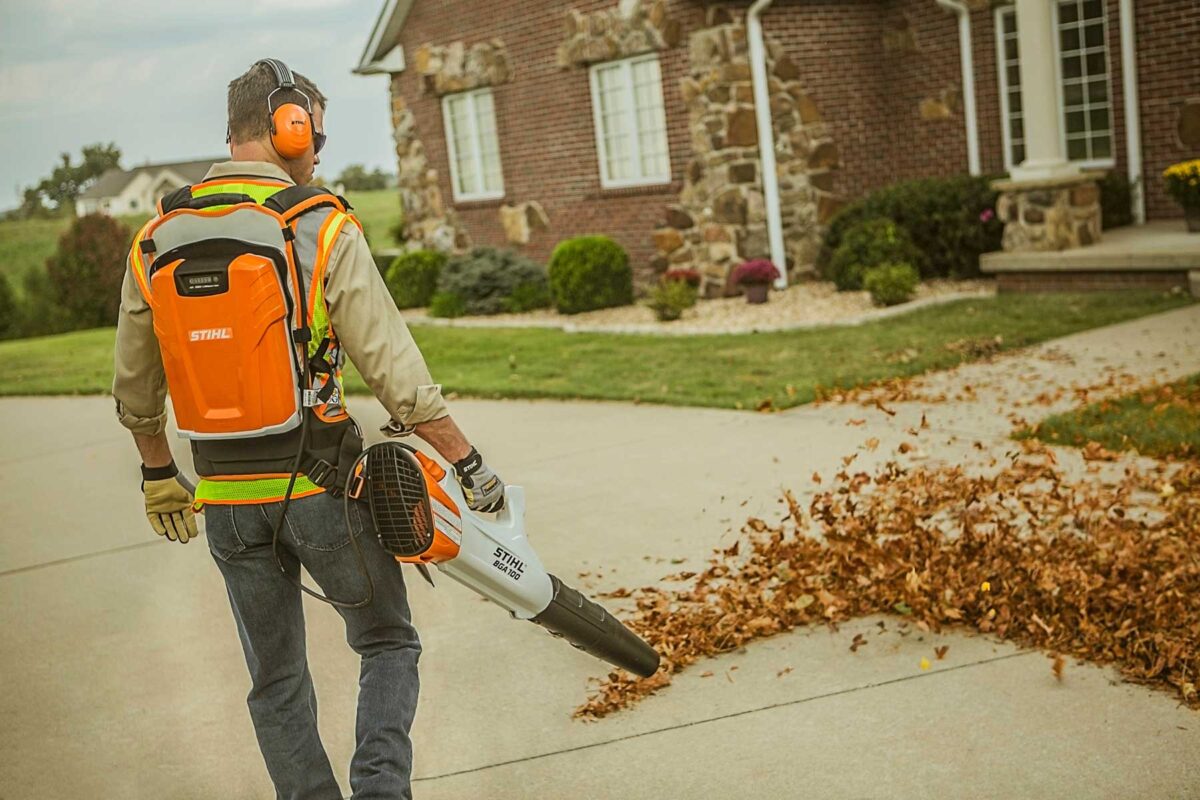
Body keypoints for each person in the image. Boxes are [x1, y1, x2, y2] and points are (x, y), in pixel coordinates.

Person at [112, 59, 505, 799]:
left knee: (275, 681)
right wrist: (467, 461)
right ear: (287, 124)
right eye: (315, 134)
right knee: (387, 640)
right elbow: (394, 367)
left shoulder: (154, 239)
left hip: (225, 502)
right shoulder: (318, 224)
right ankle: (381, 790)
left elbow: (135, 388)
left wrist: (159, 472)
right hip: (322, 487)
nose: (318, 152)